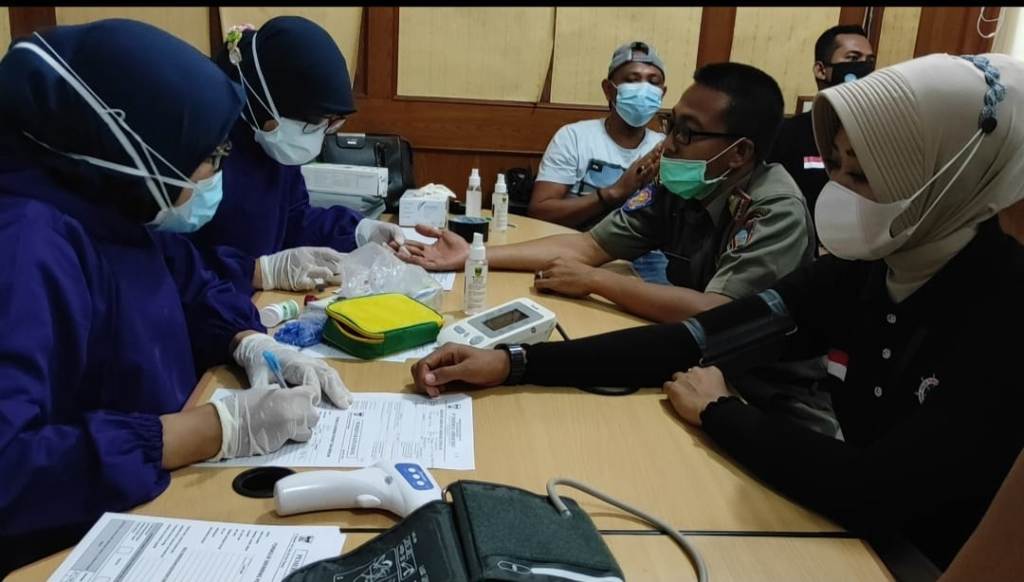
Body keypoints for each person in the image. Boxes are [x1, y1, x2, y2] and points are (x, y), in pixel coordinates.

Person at [408, 53, 1024, 570]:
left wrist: (721, 412)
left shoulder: (1002, 307)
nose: (839, 194)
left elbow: (873, 492)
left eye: (861, 176)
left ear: (950, 182)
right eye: (836, 168)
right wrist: (513, 362)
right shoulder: (864, 271)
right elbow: (698, 338)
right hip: (858, 522)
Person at [0, 20, 350, 575]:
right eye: (210, 157)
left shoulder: (113, 202)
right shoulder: (27, 247)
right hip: (74, 542)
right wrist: (211, 430)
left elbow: (189, 283)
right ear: (132, 152)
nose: (217, 175)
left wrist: (249, 341)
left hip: (162, 492)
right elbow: (12, 468)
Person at [402, 63, 813, 325]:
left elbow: (716, 311)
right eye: (670, 125)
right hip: (697, 352)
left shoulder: (773, 209)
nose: (668, 144)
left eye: (687, 133)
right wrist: (475, 256)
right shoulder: (683, 182)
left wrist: (596, 281)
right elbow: (589, 245)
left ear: (739, 153)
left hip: (763, 388)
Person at [188, 16, 405, 295]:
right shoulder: (206, 144)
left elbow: (294, 217)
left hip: (256, 300)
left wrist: (358, 231)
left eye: (332, 122)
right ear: (265, 101)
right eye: (314, 121)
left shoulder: (271, 140)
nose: (320, 132)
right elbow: (174, 257)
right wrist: (255, 271)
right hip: (210, 300)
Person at [527, 40, 669, 283]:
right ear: (609, 89)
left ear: (662, 93)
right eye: (632, 80)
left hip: (647, 259)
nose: (644, 89)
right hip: (576, 249)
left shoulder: (666, 148)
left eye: (653, 82)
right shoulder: (575, 137)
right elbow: (540, 212)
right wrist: (613, 193)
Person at [768, 24, 875, 220]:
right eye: (853, 59)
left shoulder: (877, 134)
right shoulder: (787, 134)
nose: (865, 68)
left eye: (870, 61)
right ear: (821, 70)